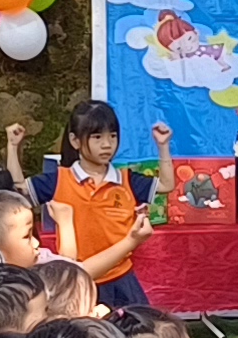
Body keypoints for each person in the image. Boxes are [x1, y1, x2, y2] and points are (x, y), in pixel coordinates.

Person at [11, 102, 157, 311]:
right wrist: (13, 147)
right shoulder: (59, 179)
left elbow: (166, 185)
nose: (107, 144)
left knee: (139, 329)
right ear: (75, 140)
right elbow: (17, 190)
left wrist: (163, 147)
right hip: (79, 278)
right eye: (97, 137)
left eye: (112, 136)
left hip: (121, 277)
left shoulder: (125, 179)